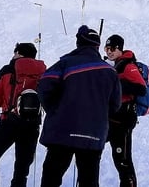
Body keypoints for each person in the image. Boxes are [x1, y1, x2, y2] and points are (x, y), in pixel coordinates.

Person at [37, 25, 121, 187]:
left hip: (62, 131)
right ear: (97, 46)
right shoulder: (111, 72)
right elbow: (115, 104)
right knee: (89, 181)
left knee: (51, 178)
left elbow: (44, 87)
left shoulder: (65, 64)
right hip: (94, 133)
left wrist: (55, 111)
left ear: (78, 43)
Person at [0, 43, 47, 187]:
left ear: (18, 53)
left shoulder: (8, 69)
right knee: (22, 165)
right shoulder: (43, 71)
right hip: (32, 124)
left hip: (9, 121)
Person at [104, 34, 147, 187]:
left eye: (113, 48)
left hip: (124, 120)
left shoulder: (128, 65)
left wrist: (118, 85)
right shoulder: (116, 65)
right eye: (107, 48)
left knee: (123, 159)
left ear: (120, 48)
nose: (109, 51)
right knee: (116, 157)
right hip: (113, 118)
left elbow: (141, 88)